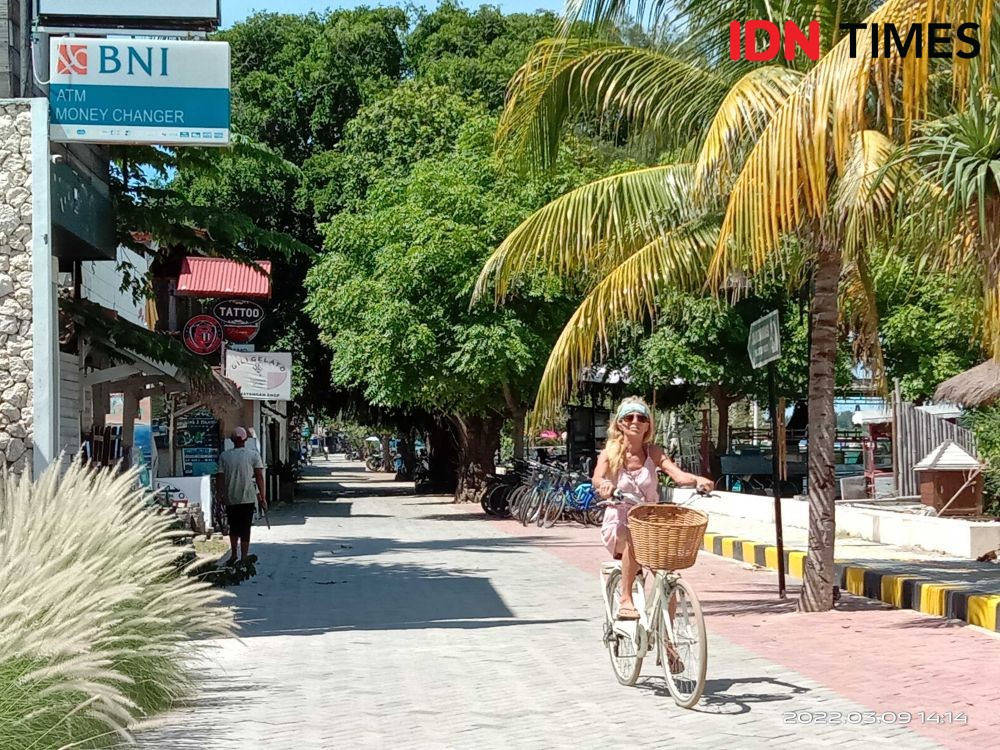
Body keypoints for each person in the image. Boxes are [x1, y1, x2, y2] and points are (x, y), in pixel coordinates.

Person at [592, 397, 713, 620]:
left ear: (648, 425)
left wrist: (697, 480)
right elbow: (598, 478)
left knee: (668, 575)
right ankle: (626, 600)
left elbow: (678, 476)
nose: (635, 421)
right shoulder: (610, 452)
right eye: (629, 417)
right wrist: (605, 486)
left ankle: (669, 643)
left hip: (650, 521)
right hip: (619, 521)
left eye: (641, 417)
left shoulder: (654, 452)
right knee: (632, 536)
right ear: (620, 423)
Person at [217, 427, 267, 566]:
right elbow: (259, 477)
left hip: (230, 497)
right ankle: (244, 556)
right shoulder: (253, 455)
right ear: (245, 439)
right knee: (245, 528)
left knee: (233, 526)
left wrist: (219, 496)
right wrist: (262, 497)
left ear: (232, 440)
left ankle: (233, 554)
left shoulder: (224, 456)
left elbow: (220, 478)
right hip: (248, 497)